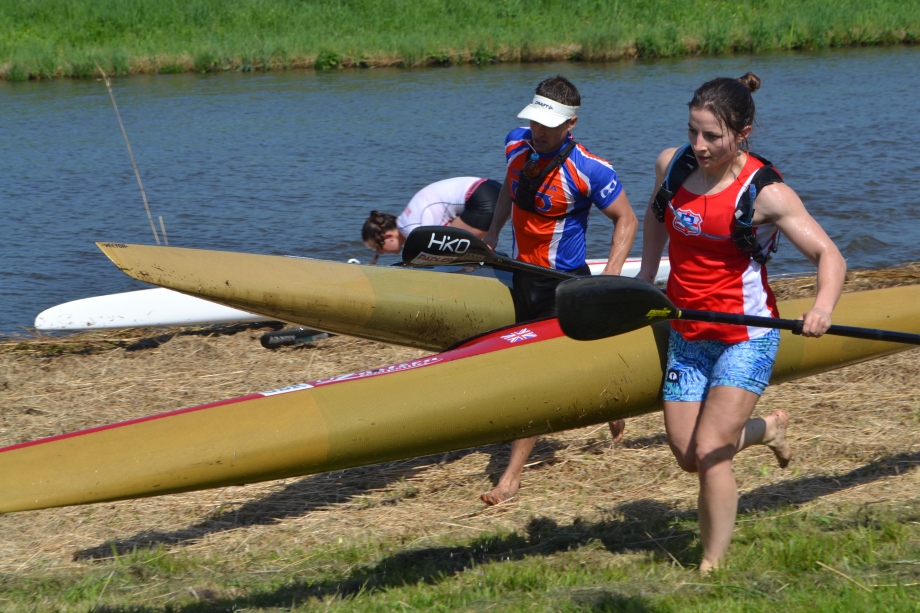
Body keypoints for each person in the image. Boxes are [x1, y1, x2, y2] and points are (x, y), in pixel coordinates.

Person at [634, 73, 846, 573]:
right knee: (688, 455)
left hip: (746, 336)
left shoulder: (768, 195)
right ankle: (767, 429)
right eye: (693, 132)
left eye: (713, 136)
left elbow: (827, 253)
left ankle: (711, 566)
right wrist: (645, 274)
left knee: (710, 451)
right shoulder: (673, 166)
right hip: (688, 331)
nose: (700, 146)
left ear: (743, 132)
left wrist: (823, 307)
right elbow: (655, 214)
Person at [480, 75, 639, 506]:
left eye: (549, 125)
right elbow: (508, 193)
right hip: (518, 277)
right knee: (559, 358)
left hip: (561, 285)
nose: (539, 131)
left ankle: (511, 478)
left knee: (536, 376)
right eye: (535, 121)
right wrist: (492, 233)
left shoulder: (589, 169)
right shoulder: (516, 143)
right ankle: (613, 404)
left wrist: (610, 276)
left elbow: (627, 220)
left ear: (571, 123)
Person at [362, 177, 501, 263]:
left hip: (482, 199)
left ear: (388, 236)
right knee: (455, 248)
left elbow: (434, 253)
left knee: (448, 254)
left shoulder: (410, 228)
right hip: (494, 189)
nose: (380, 253)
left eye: (377, 248)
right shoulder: (407, 219)